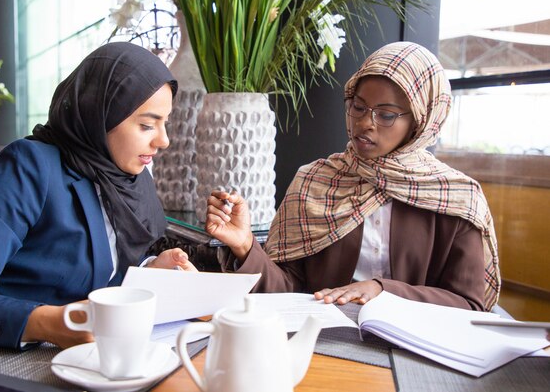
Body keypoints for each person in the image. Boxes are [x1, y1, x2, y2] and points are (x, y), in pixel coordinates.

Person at [0, 42, 196, 355]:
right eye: (147, 125)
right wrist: (47, 322)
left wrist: (149, 272)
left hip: (87, 362)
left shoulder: (131, 179)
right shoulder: (30, 167)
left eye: (165, 123)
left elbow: (102, 274)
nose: (163, 140)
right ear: (101, 113)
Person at [206, 41, 500, 312]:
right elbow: (287, 291)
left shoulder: (456, 197)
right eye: (358, 107)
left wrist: (382, 291)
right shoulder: (313, 182)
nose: (363, 123)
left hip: (416, 359)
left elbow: (469, 304)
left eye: (385, 115)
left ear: (420, 121)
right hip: (325, 345)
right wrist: (245, 245)